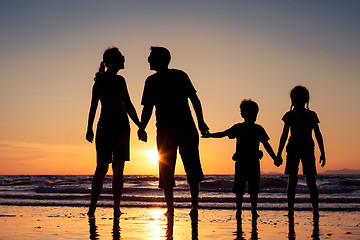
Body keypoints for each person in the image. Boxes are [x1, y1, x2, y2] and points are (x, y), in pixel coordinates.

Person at [137, 46, 209, 217]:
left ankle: (191, 206)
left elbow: (194, 99)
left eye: (151, 57)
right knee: (170, 170)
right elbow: (147, 108)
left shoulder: (178, 76)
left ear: (160, 59)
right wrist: (142, 127)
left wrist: (201, 122)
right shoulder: (152, 80)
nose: (148, 60)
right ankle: (177, 208)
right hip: (169, 130)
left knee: (189, 168)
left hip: (182, 129)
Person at [86, 47, 141, 219]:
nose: (124, 61)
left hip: (104, 125)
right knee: (118, 169)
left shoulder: (99, 81)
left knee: (101, 168)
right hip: (119, 125)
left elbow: (93, 107)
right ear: (114, 61)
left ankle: (92, 208)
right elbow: (129, 105)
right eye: (122, 58)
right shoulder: (119, 80)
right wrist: (140, 125)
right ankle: (116, 208)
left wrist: (89, 128)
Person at [203, 99, 280, 219]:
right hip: (253, 162)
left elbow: (223, 134)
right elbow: (266, 145)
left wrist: (210, 135)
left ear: (242, 114)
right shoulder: (258, 128)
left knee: (240, 189)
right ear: (255, 114)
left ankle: (239, 212)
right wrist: (275, 158)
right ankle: (253, 212)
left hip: (241, 162)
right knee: (253, 189)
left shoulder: (239, 127)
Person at [277, 85, 326, 221]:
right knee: (310, 181)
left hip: (293, 147)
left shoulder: (290, 115)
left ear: (292, 99)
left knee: (292, 181)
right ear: (307, 99)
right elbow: (318, 134)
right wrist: (322, 152)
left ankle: (291, 211)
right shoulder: (310, 115)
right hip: (307, 148)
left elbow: (284, 135)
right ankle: (315, 211)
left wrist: (279, 153)